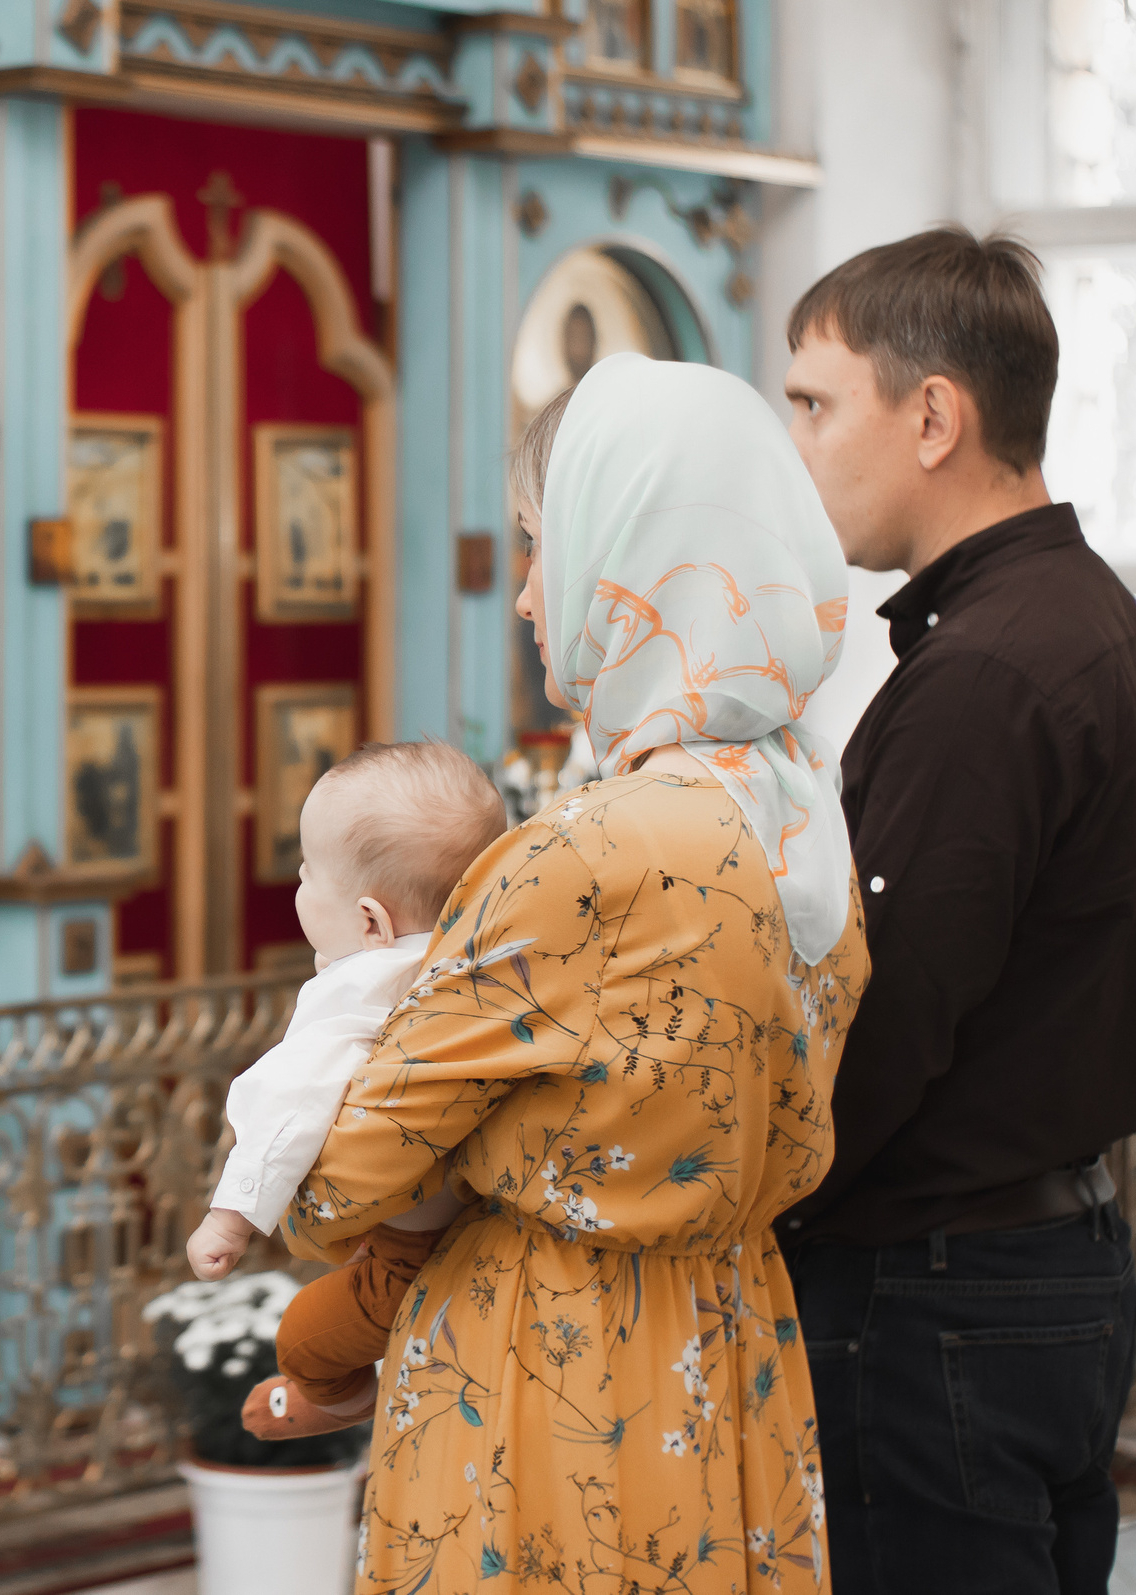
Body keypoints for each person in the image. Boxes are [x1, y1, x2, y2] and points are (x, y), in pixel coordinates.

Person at [285, 354, 866, 1595]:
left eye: (548, 549)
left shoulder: (586, 852)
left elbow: (335, 1183)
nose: (527, 597)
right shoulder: (802, 825)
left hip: (550, 1366)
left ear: (633, 560)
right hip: (724, 1345)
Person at [775, 227, 1136, 1595]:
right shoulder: (1104, 626)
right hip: (1051, 1260)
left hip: (933, 1286)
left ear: (935, 414)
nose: (801, 445)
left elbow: (880, 1019)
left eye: (816, 402)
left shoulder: (986, 674)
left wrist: (755, 1199)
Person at [178, 740, 505, 1437]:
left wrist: (230, 1217)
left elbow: (291, 1101)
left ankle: (342, 1399)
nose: (297, 892)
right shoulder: (491, 954)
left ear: (369, 921)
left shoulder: (361, 988)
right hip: (494, 1217)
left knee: (303, 1337)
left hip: (414, 1251)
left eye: (305, 877)